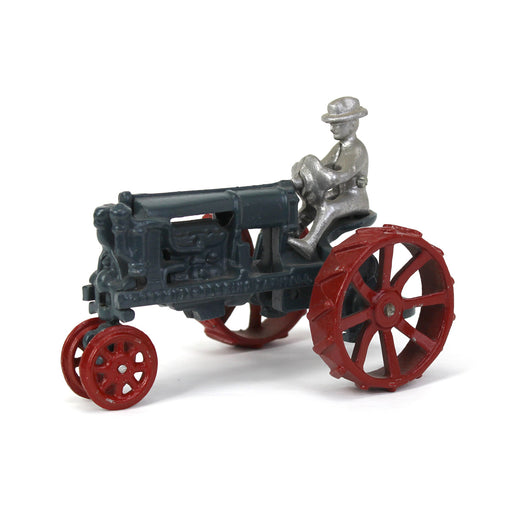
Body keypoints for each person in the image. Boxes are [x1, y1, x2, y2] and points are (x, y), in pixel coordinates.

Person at [288, 96, 370, 259]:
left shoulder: (357, 150)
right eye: (332, 124)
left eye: (337, 124)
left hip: (354, 198)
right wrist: (304, 175)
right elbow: (322, 165)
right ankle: (293, 232)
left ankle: (309, 244)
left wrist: (321, 177)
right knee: (311, 205)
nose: (332, 128)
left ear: (353, 124)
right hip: (339, 194)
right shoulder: (339, 148)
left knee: (327, 207)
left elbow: (341, 176)